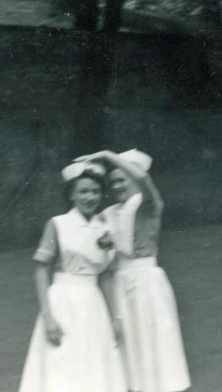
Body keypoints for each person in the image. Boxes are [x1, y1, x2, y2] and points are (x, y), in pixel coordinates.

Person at [76, 149, 191, 392]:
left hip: (146, 280)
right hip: (120, 281)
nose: (117, 186)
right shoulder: (107, 214)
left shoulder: (148, 203)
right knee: (128, 342)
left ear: (132, 177)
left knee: (153, 338)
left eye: (122, 179)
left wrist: (108, 156)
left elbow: (144, 180)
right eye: (113, 181)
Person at [18, 161, 126, 392]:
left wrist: (114, 317)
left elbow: (106, 275)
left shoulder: (104, 227)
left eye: (95, 191)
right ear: (72, 195)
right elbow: (41, 270)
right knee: (63, 364)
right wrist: (48, 317)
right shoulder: (58, 224)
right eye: (83, 191)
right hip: (63, 301)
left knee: (94, 362)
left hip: (93, 304)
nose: (90, 197)